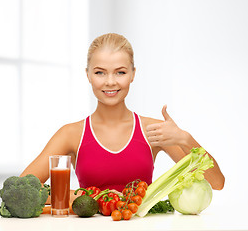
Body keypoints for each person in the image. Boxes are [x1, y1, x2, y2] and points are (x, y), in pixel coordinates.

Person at [20, 33, 225, 201]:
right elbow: (23, 188)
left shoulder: (153, 130)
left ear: (133, 74)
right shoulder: (71, 134)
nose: (110, 82)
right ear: (88, 75)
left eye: (120, 72)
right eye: (100, 73)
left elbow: (216, 183)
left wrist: (184, 138)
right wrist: (83, 196)